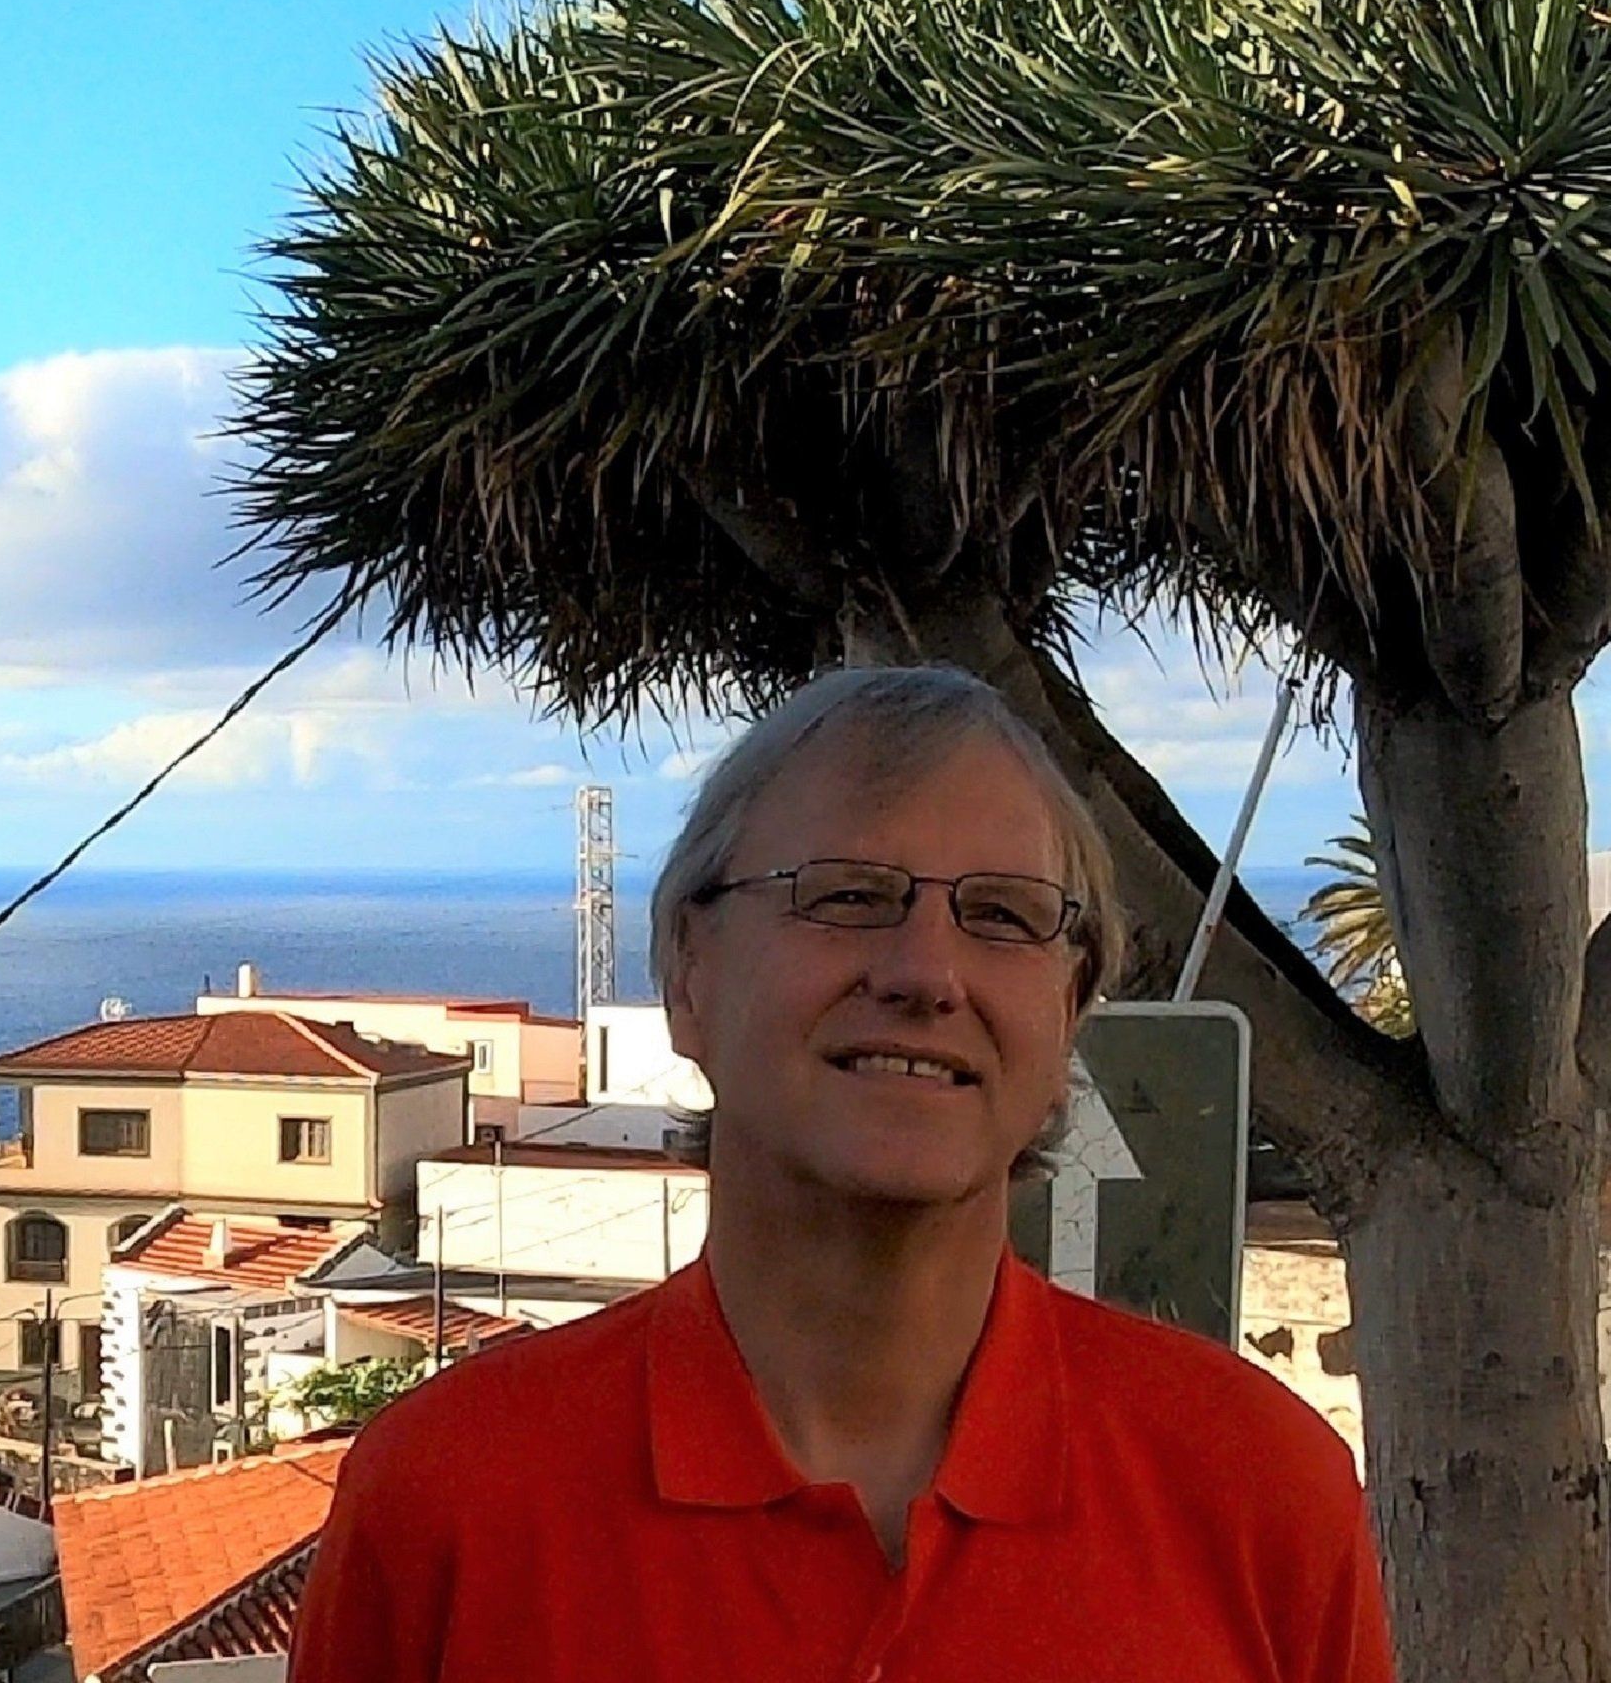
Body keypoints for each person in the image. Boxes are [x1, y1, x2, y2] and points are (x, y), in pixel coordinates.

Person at [288, 666, 1395, 1683]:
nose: (926, 973)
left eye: (1001, 915)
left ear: (1069, 1016)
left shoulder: (1260, 1499)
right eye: (849, 897)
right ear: (686, 973)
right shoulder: (448, 1502)